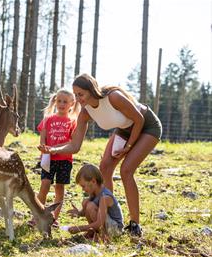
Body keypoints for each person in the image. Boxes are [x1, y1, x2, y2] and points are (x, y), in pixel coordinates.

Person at [38, 73, 162, 236]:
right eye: (75, 95)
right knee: (105, 167)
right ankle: (109, 219)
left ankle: (134, 225)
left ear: (91, 89)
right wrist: (53, 150)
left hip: (147, 126)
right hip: (125, 129)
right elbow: (75, 146)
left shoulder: (113, 97)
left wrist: (129, 146)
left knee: (126, 171)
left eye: (80, 94)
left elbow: (138, 119)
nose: (78, 98)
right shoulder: (85, 113)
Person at [29, 88, 80, 228]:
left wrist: (56, 149)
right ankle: (37, 216)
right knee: (44, 185)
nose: (62, 104)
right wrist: (43, 148)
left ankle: (54, 218)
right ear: (55, 101)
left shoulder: (73, 122)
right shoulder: (48, 119)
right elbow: (43, 138)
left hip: (65, 160)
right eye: (59, 101)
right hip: (48, 160)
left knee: (59, 188)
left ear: (72, 104)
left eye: (65, 102)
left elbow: (72, 142)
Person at [67, 164, 124, 240]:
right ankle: (94, 232)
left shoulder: (105, 197)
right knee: (86, 202)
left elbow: (99, 223)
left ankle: (103, 236)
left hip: (115, 229)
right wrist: (78, 213)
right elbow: (86, 212)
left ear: (93, 181)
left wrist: (80, 228)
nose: (83, 190)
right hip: (107, 224)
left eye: (83, 186)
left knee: (90, 205)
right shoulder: (94, 193)